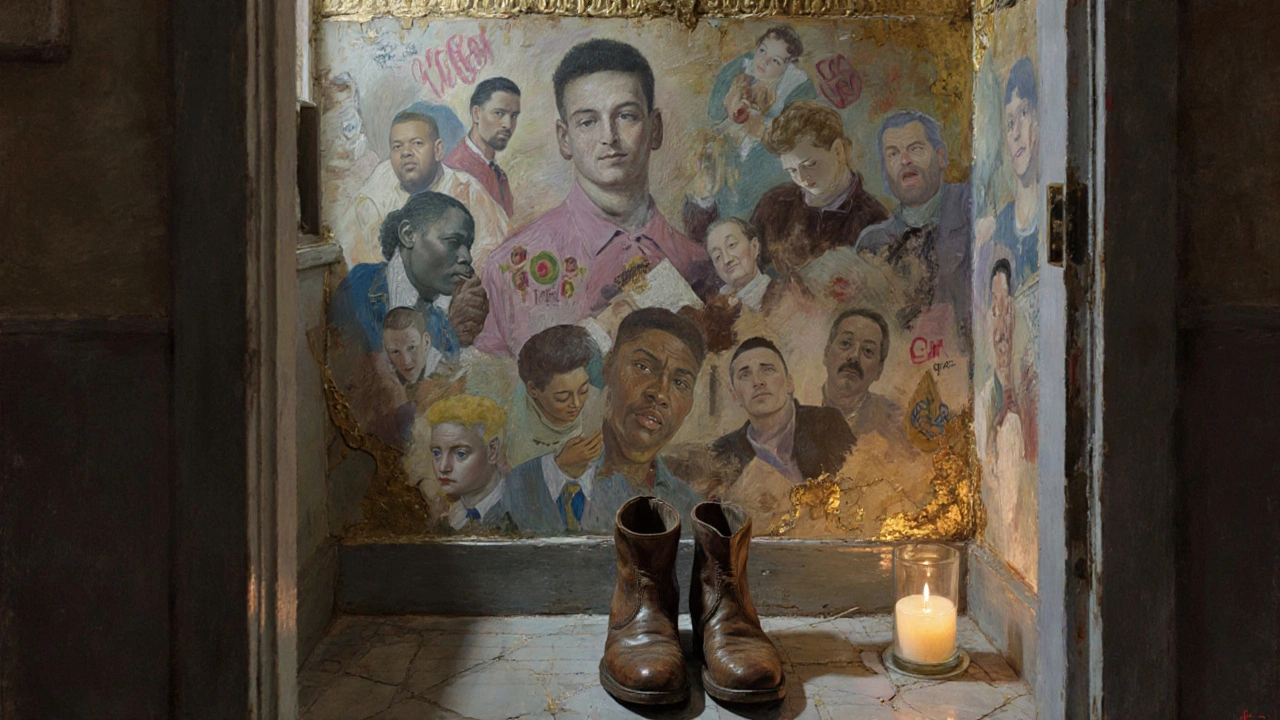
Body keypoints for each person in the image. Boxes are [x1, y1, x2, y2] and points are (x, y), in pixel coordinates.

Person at [474, 39, 712, 358]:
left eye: (626, 116)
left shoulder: (702, 264)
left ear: (655, 129)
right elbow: (491, 393)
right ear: (564, 138)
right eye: (588, 121)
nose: (609, 137)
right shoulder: (506, 268)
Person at [504, 308, 706, 534]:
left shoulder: (689, 512)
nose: (659, 393)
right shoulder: (532, 480)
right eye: (643, 367)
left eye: (680, 383)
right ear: (608, 366)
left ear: (689, 405)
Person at [687, 101, 888, 279]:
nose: (802, 178)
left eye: (809, 164)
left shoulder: (873, 221)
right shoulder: (775, 204)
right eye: (792, 170)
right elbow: (740, 264)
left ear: (837, 151)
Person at [330, 192, 489, 363]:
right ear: (408, 234)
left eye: (468, 246)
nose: (467, 257)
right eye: (453, 241)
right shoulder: (361, 287)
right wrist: (453, 335)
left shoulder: (444, 308)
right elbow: (367, 376)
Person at [336, 109, 508, 268]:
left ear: (438, 150)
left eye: (417, 143)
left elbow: (490, 261)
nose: (406, 152)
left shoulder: (468, 191)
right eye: (397, 146)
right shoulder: (377, 190)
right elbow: (353, 254)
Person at [688, 25, 817, 228]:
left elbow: (795, 141)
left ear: (789, 65)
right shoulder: (740, 68)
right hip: (733, 148)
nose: (763, 62)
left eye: (775, 61)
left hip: (770, 160)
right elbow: (713, 114)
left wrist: (762, 127)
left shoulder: (798, 87)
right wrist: (729, 106)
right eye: (763, 50)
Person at [856, 110, 973, 331]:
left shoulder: (973, 209)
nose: (905, 160)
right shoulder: (873, 243)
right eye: (893, 154)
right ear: (884, 171)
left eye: (916, 149)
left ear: (940, 157)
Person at [712, 337, 854, 485]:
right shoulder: (723, 452)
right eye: (745, 375)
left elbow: (859, 483)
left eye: (768, 370)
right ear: (734, 396)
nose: (758, 381)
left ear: (789, 383)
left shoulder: (826, 423)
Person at [504, 324, 605, 468]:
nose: (577, 403)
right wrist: (559, 464)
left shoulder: (599, 407)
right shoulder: (514, 427)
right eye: (562, 398)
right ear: (533, 390)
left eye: (583, 390)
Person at [820, 308, 909, 449]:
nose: (854, 356)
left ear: (879, 370)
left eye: (868, 350)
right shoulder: (792, 414)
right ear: (826, 353)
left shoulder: (894, 424)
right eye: (845, 343)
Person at [986, 57, 1040, 288]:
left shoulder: (1052, 212)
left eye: (1024, 113)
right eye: (1009, 123)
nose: (1016, 133)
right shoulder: (1000, 226)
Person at [425, 395, 514, 532]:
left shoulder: (519, 511)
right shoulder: (448, 520)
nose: (443, 467)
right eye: (437, 453)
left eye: (460, 454)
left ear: (492, 450)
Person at [444, 77, 521, 217]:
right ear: (476, 114)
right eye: (499, 113)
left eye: (514, 116)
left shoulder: (498, 174)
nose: (508, 125)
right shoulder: (456, 172)